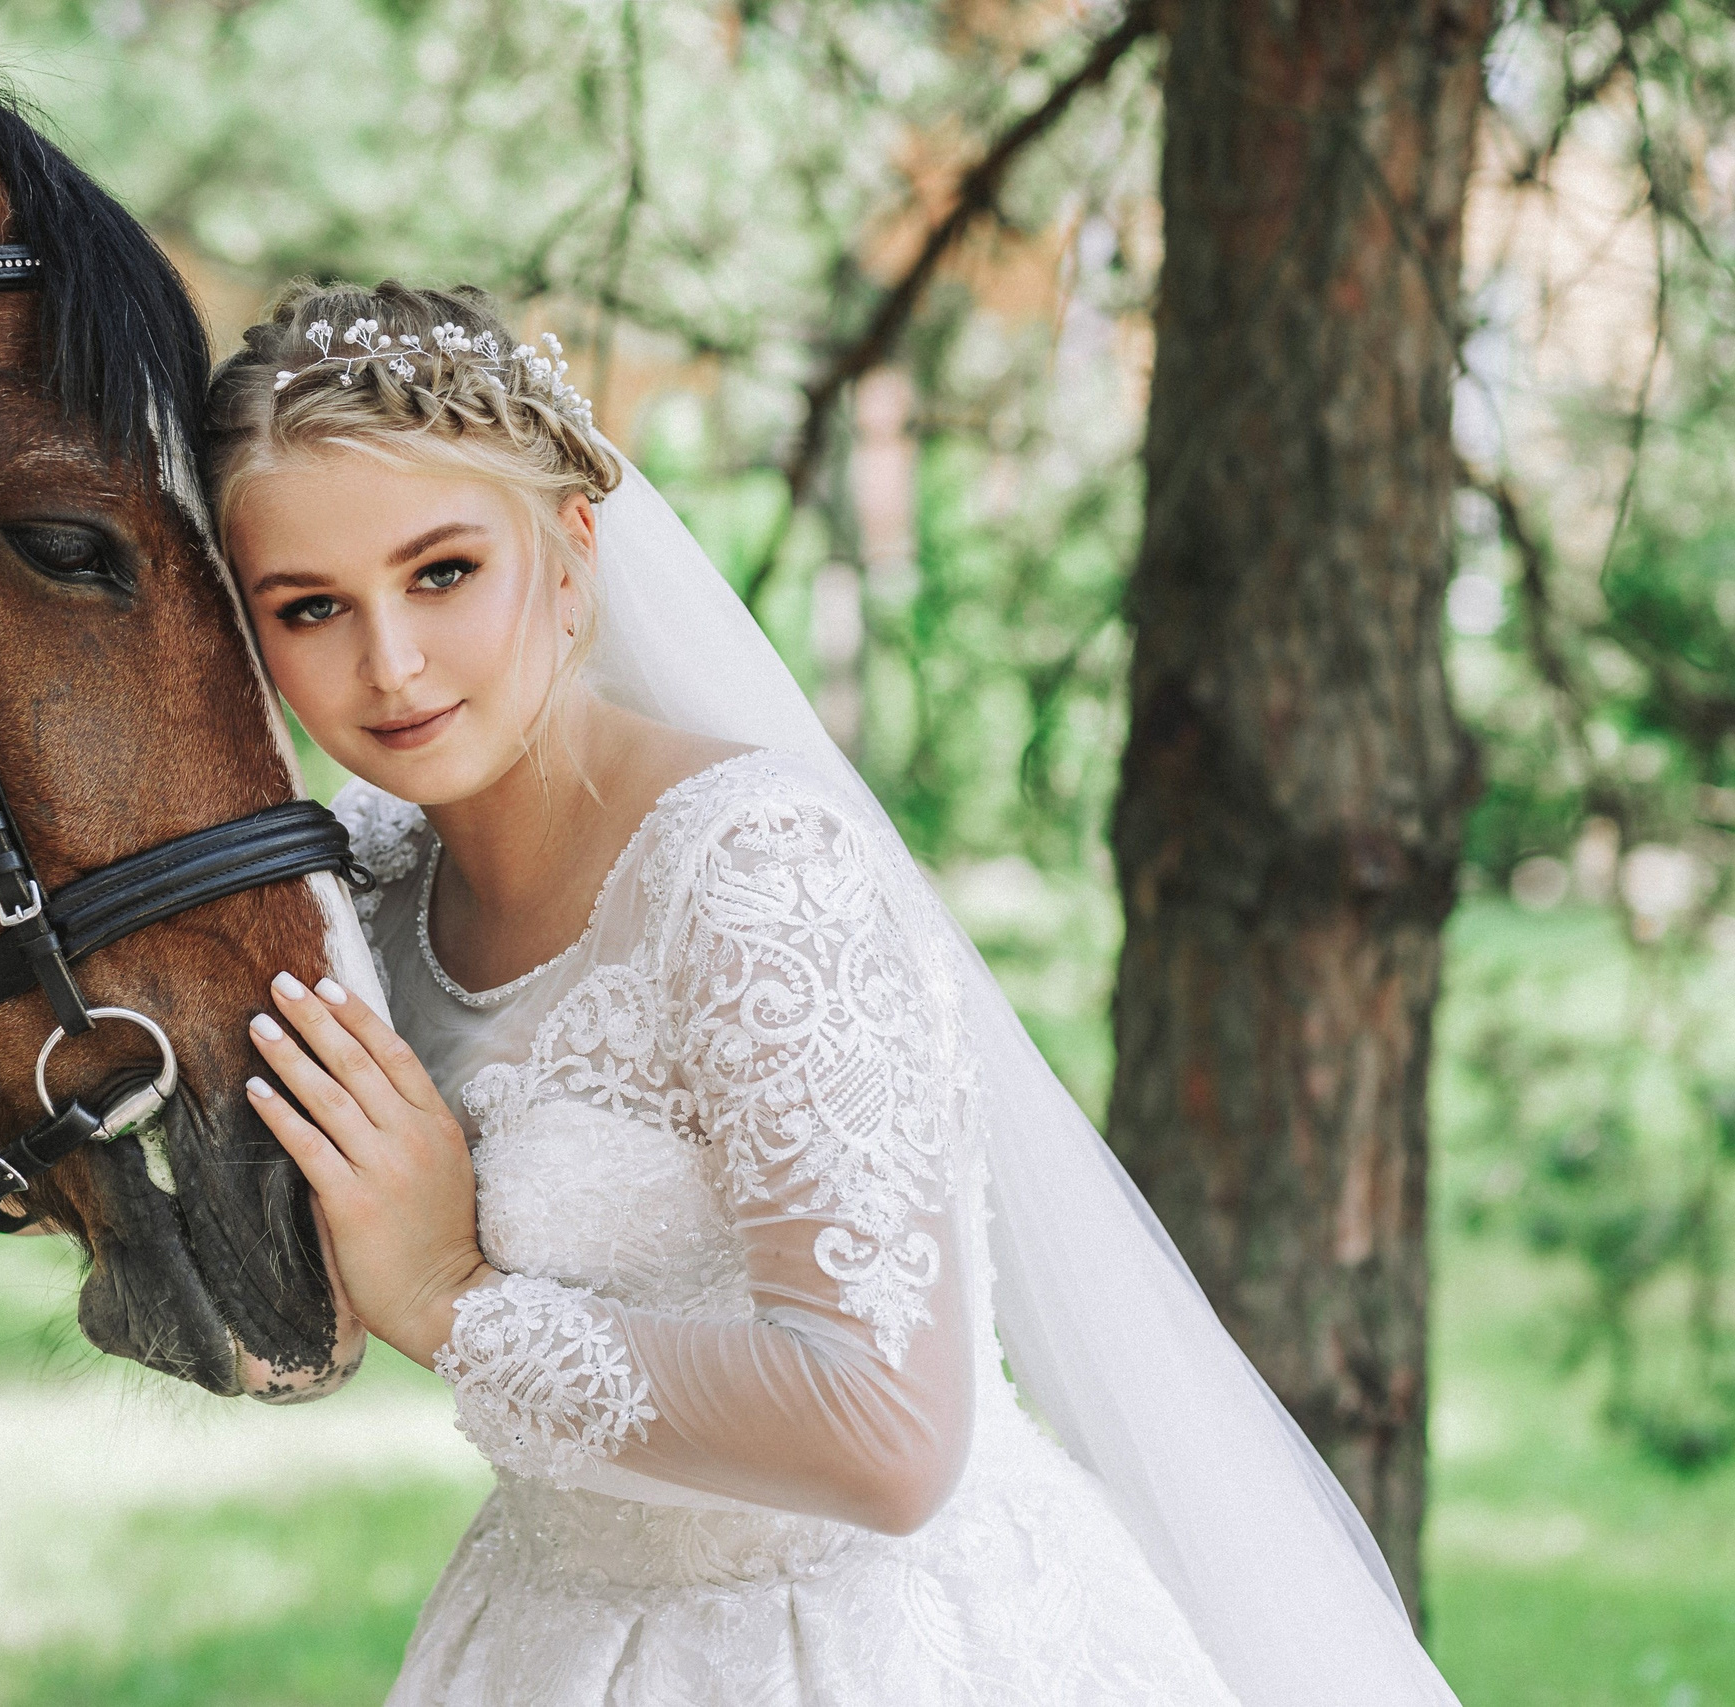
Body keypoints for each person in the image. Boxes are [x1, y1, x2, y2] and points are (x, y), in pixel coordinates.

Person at [206, 280, 1461, 1706]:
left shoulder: (752, 873)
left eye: (442, 572)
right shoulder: (360, 890)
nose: (392, 663)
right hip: (542, 1643)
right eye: (311, 608)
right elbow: (284, 1339)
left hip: (860, 1645)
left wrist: (450, 1299)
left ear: (567, 555)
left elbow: (889, 1432)